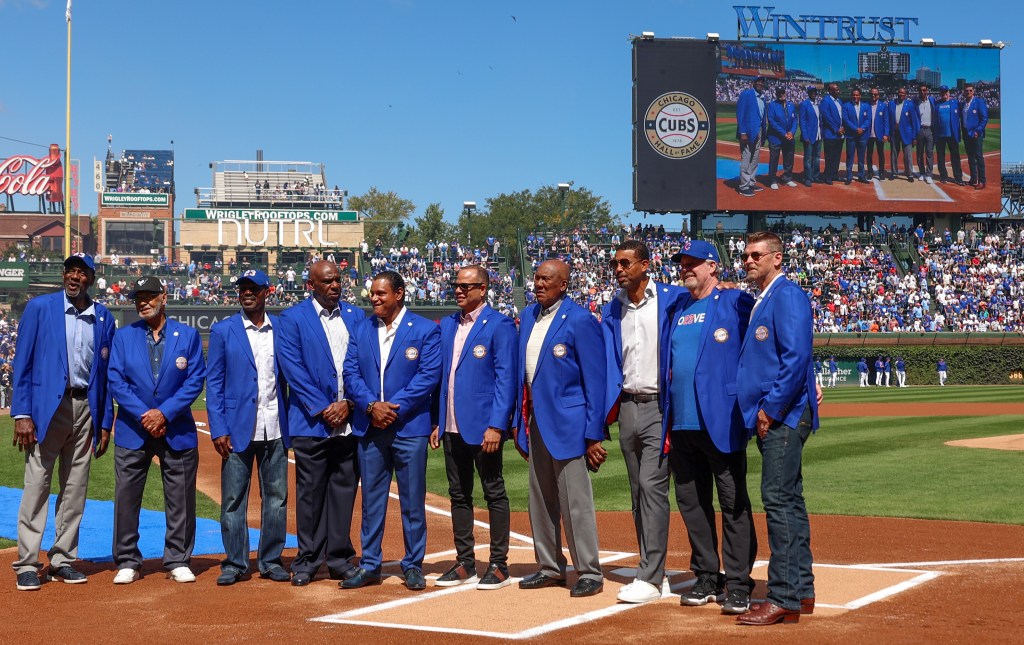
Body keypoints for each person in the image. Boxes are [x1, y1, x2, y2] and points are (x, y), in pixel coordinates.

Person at [10, 254, 116, 591]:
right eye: (70, 271)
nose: (74, 277)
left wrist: (105, 422)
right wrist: (22, 413)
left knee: (75, 488)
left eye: (81, 273)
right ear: (63, 275)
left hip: (86, 408)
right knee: (37, 485)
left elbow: (107, 376)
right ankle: (27, 563)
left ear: (91, 279)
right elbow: (22, 363)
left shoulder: (103, 317)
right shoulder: (40, 308)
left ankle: (62, 559)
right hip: (46, 410)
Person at [667, 241, 757, 615]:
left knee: (732, 502)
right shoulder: (678, 307)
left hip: (722, 418)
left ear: (712, 266)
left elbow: (763, 344)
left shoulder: (736, 302)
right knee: (691, 502)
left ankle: (738, 583)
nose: (685, 269)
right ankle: (707, 573)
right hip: (682, 421)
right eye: (682, 264)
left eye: (692, 263)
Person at [736, 231, 819, 626]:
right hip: (781, 412)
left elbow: (797, 355)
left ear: (777, 258)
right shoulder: (765, 298)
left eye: (756, 255)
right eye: (746, 255)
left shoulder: (786, 295)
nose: (749, 261)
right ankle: (801, 590)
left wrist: (770, 408)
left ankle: (783, 595)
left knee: (778, 500)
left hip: (784, 414)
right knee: (790, 499)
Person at [342, 271, 441, 591]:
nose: (374, 298)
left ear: (399, 294)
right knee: (371, 501)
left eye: (381, 293)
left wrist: (392, 408)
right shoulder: (361, 328)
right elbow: (350, 372)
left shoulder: (425, 329)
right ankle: (370, 564)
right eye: (372, 293)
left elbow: (428, 377)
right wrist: (372, 407)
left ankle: (413, 564)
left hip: (409, 427)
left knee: (413, 500)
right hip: (370, 427)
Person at [515, 260, 607, 598]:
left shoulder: (581, 319)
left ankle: (590, 571)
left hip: (570, 422)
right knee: (540, 499)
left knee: (575, 502)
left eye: (546, 279)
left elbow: (596, 381)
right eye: (536, 278)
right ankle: (551, 567)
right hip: (536, 420)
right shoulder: (527, 316)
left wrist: (594, 432)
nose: (538, 284)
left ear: (563, 284)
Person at [600, 241, 684, 604]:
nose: (618, 269)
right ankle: (655, 570)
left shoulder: (674, 299)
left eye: (625, 263)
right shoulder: (611, 309)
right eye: (615, 264)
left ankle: (649, 577)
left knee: (652, 488)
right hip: (628, 407)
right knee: (638, 493)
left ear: (645, 265)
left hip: (660, 407)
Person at [108, 276, 206, 585]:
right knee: (127, 498)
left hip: (176, 428)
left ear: (163, 297)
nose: (143, 301)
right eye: (138, 297)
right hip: (132, 428)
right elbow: (116, 381)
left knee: (181, 499)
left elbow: (194, 381)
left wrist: (164, 413)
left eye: (149, 295)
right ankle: (127, 560)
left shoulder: (187, 335)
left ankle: (177, 558)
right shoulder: (123, 337)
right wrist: (145, 415)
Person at [276, 260, 365, 586]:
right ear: (310, 285)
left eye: (338, 280)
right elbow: (292, 368)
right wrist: (323, 407)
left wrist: (350, 403)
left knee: (344, 491)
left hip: (350, 420)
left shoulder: (356, 316)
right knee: (310, 493)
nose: (335, 286)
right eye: (327, 281)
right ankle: (308, 559)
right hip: (311, 422)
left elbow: (365, 364)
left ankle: (340, 557)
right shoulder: (292, 318)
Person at [429, 265, 518, 590]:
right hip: (451, 425)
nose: (460, 290)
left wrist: (498, 425)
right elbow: (442, 378)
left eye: (467, 286)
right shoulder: (449, 324)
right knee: (458, 494)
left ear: (484, 289)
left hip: (484, 427)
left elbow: (506, 378)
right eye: (457, 285)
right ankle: (465, 562)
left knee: (493, 492)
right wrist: (437, 420)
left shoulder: (500, 325)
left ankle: (499, 565)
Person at [206, 270, 290, 585]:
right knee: (233, 500)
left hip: (276, 427)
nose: (247, 293)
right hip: (238, 427)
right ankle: (235, 563)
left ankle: (270, 560)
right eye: (243, 288)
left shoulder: (281, 328)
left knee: (277, 497)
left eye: (253, 288)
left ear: (267, 292)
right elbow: (213, 383)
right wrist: (218, 428)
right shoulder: (224, 330)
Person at [736, 76, 767, 197]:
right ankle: (743, 186)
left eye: (762, 82)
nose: (760, 84)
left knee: (755, 158)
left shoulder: (763, 97)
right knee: (746, 157)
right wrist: (742, 132)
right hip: (747, 132)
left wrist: (763, 133)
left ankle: (751, 182)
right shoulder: (747, 94)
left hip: (758, 131)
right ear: (753, 83)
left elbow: (762, 117)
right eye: (758, 81)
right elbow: (740, 113)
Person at [766, 86, 798, 190]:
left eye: (783, 92)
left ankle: (787, 178)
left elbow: (795, 120)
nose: (782, 94)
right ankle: (772, 180)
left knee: (789, 158)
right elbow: (772, 121)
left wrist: (792, 132)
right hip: (775, 137)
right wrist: (784, 133)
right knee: (774, 159)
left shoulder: (791, 105)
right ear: (776, 94)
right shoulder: (772, 105)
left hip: (789, 137)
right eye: (780, 92)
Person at [888, 87, 920, 182]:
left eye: (903, 93)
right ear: (897, 93)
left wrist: (914, 136)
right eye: (899, 93)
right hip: (894, 132)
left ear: (905, 95)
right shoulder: (891, 104)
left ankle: (909, 173)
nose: (901, 95)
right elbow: (888, 119)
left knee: (908, 155)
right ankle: (894, 172)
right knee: (894, 154)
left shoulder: (910, 105)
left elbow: (914, 122)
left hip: (907, 133)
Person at [960, 84, 989, 189]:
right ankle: (973, 178)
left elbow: (984, 118)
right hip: (966, 134)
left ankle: (982, 181)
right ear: (964, 92)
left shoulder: (979, 102)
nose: (968, 92)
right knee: (971, 157)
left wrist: (978, 130)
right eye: (966, 90)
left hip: (976, 134)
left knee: (978, 156)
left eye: (970, 90)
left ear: (973, 91)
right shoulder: (963, 104)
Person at [934, 86, 964, 185]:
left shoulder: (955, 103)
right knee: (940, 156)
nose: (944, 94)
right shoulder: (937, 104)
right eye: (942, 92)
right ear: (940, 93)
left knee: (955, 156)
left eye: (945, 92)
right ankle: (943, 176)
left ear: (948, 92)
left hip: (952, 134)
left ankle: (958, 177)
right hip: (940, 135)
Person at [842, 88, 870, 184]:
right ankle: (849, 176)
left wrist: (861, 128)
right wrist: (855, 129)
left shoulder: (866, 106)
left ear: (860, 96)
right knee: (850, 156)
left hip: (862, 135)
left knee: (861, 157)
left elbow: (868, 120)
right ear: (851, 96)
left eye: (857, 95)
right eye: (854, 95)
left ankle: (861, 175)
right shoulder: (846, 106)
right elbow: (846, 120)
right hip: (851, 135)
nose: (855, 97)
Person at [819, 83, 845, 185]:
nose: (838, 91)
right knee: (830, 156)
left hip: (840, 134)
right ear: (830, 91)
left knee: (837, 156)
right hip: (831, 134)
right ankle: (827, 176)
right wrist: (836, 129)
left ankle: (834, 174)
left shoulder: (839, 101)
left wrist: (843, 128)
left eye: (838, 89)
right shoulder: (826, 100)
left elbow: (842, 116)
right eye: (836, 89)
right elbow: (827, 117)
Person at [798, 86, 822, 187]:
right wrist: (805, 136)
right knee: (808, 158)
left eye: (815, 92)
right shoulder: (804, 104)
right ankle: (807, 177)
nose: (813, 93)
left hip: (818, 135)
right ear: (808, 93)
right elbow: (802, 121)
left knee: (816, 157)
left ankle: (815, 176)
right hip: (809, 135)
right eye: (811, 92)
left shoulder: (817, 105)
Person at [915, 84, 938, 184]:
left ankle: (929, 174)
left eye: (924, 90)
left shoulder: (932, 100)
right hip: (920, 129)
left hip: (929, 130)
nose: (922, 92)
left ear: (927, 91)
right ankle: (922, 173)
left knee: (929, 152)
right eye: (920, 90)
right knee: (919, 153)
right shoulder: (915, 102)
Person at [865, 88, 890, 180]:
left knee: (881, 154)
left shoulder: (883, 106)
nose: (873, 96)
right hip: (868, 134)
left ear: (878, 95)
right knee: (869, 154)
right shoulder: (866, 105)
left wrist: (886, 134)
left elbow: (886, 121)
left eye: (875, 94)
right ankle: (870, 172)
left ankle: (881, 172)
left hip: (879, 134)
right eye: (872, 94)